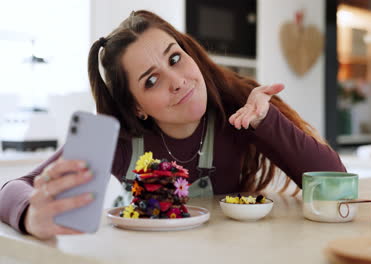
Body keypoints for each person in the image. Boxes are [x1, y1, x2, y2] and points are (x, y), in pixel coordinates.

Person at [0, 10, 345, 239]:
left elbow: (337, 184)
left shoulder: (237, 113)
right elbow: (13, 188)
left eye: (175, 59)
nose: (178, 81)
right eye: (151, 81)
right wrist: (31, 213)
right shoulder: (112, 136)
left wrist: (267, 123)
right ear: (136, 107)